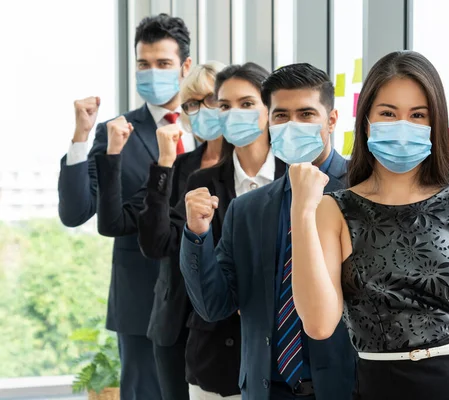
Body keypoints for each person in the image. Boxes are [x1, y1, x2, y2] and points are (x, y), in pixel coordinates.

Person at [288, 51, 449, 400]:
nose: (403, 125)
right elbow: (318, 324)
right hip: (382, 385)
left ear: (435, 125)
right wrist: (302, 209)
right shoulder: (335, 211)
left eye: (418, 115)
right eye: (388, 113)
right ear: (366, 120)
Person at [180, 63, 356, 400]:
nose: (293, 126)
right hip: (266, 388)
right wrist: (197, 235)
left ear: (331, 120)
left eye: (306, 114)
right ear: (268, 121)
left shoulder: (363, 194)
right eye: (281, 116)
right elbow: (214, 305)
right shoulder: (248, 209)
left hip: (346, 388)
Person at [57, 14, 192, 400]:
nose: (152, 73)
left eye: (163, 64)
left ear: (184, 67)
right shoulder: (116, 132)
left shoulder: (209, 127)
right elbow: (75, 211)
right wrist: (82, 135)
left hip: (207, 297)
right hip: (142, 300)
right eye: (143, 64)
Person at [141, 62, 286, 399]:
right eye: (225, 106)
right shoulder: (200, 181)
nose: (234, 114)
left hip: (284, 357)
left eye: (247, 104)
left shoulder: (297, 175)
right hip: (215, 355)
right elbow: (167, 247)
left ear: (270, 110)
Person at [94, 62, 226, 400]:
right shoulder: (178, 165)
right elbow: (153, 240)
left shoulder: (249, 169)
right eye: (191, 104)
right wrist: (164, 162)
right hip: (174, 323)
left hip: (227, 323)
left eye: (210, 100)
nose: (201, 111)